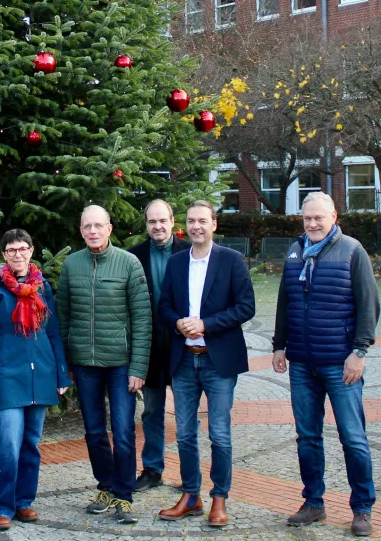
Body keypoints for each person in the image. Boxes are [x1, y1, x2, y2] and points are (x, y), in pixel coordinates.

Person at [272, 192, 380, 538]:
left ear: (334, 216)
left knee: (353, 438)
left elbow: (369, 305)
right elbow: (284, 302)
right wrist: (279, 345)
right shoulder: (295, 252)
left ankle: (362, 508)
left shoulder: (352, 250)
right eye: (307, 218)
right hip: (302, 362)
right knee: (307, 437)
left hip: (340, 363)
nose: (313, 224)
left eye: (319, 218)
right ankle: (314, 502)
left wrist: (359, 352)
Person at [156, 200, 255, 528]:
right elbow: (164, 306)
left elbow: (246, 307)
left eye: (202, 221)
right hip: (184, 360)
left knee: (220, 435)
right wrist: (178, 323)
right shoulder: (176, 262)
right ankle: (190, 495)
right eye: (191, 221)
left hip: (218, 362)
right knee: (184, 434)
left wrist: (207, 325)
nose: (196, 226)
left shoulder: (231, 261)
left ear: (214, 224)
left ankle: (219, 498)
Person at [56, 204, 151, 525]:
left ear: (109, 228)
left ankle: (124, 495)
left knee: (123, 431)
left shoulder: (129, 263)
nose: (93, 231)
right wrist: (66, 362)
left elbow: (142, 319)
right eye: (87, 226)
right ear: (81, 231)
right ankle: (106, 485)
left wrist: (139, 367)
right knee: (94, 431)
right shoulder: (71, 265)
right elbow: (63, 317)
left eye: (99, 225)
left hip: (121, 364)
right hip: (84, 364)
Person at [0, 228, 71, 531]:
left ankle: (24, 502)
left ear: (31, 251)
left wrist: (61, 372)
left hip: (40, 376)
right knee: (6, 444)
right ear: (4, 254)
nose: (18, 254)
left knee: (30, 444)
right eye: (12, 250)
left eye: (23, 248)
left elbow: (52, 333)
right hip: (7, 379)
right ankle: (1, 505)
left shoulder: (43, 288)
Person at [128, 199, 189, 492]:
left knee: (186, 412)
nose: (158, 227)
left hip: (183, 345)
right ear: (146, 225)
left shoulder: (189, 252)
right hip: (149, 345)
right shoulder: (134, 256)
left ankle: (191, 474)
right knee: (152, 411)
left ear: (173, 221)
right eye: (152, 222)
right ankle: (152, 468)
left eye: (162, 221)